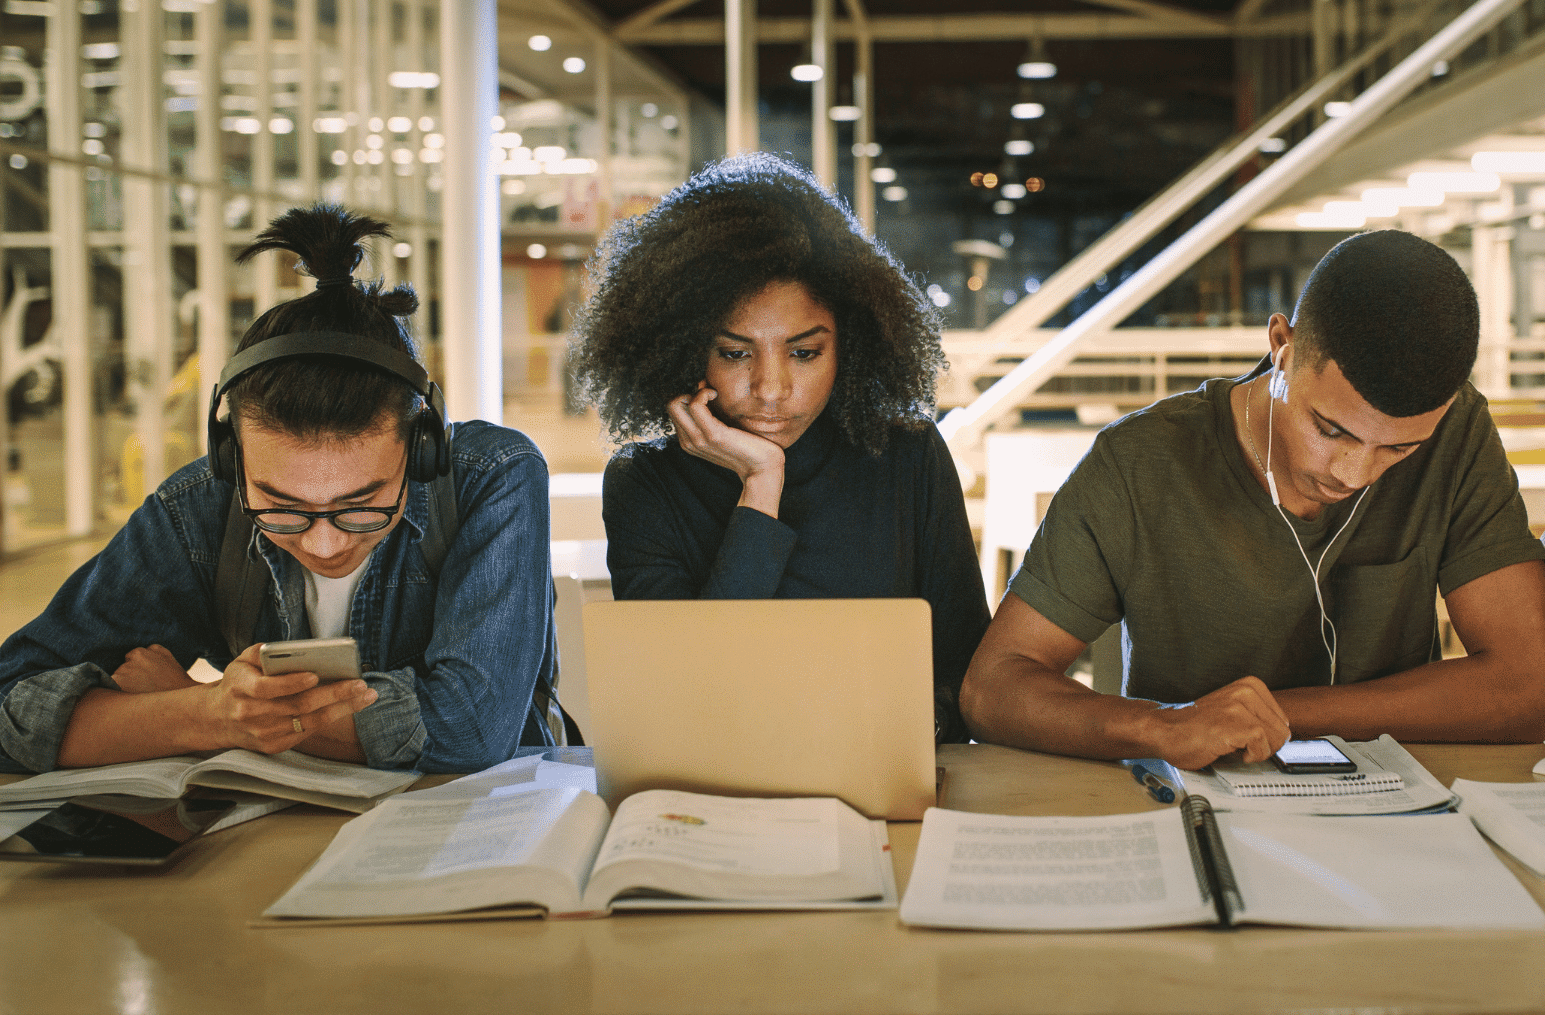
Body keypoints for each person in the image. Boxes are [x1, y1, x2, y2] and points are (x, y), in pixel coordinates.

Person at [960, 229, 1545, 770]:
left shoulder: (1458, 434)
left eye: (1398, 450)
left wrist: (1278, 716)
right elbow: (992, 689)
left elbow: (1523, 691)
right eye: (1330, 429)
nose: (1354, 473)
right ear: (1282, 347)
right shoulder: (1140, 465)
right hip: (1196, 810)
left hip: (1396, 815)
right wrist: (1163, 726)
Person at [0, 205, 562, 774]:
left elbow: (470, 730)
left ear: (422, 450)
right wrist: (208, 713)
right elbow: (11, 698)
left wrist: (186, 709)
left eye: (361, 506)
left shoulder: (491, 475)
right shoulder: (197, 506)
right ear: (230, 457)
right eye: (281, 507)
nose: (322, 544)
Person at [568, 153, 989, 743]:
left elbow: (971, 680)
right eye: (737, 353)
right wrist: (761, 484)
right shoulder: (644, 484)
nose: (772, 389)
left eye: (805, 352)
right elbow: (686, 700)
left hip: (883, 780)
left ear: (851, 344)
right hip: (717, 795)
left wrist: (902, 731)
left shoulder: (906, 457)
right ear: (685, 349)